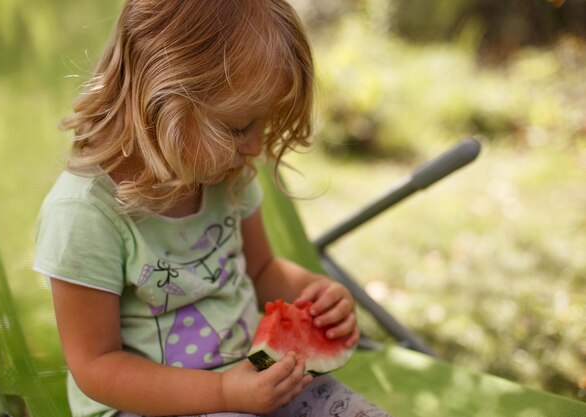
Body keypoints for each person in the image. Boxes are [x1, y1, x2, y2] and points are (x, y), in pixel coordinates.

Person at [34, 1, 392, 416]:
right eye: (239, 127)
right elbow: (95, 366)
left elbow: (260, 271)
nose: (256, 147)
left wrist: (317, 294)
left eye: (263, 125)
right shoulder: (84, 215)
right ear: (161, 100)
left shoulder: (225, 174)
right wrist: (222, 393)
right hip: (150, 406)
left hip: (255, 377)